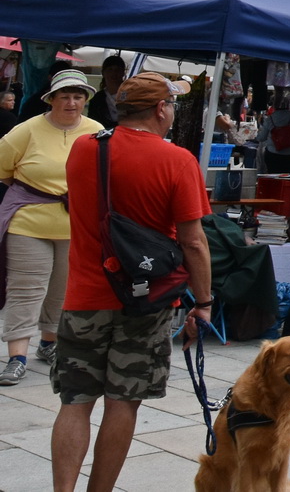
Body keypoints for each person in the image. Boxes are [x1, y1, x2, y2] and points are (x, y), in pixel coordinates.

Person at [51, 71, 211, 492]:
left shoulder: (84, 148)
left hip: (84, 295)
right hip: (147, 299)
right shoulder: (178, 160)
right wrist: (204, 302)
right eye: (172, 105)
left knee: (75, 402)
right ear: (160, 109)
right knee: (122, 403)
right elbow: (194, 242)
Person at [0, 71, 105, 384]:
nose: (71, 102)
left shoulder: (96, 131)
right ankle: (16, 357)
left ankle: (49, 343)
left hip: (76, 225)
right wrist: (35, 192)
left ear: (85, 101)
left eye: (77, 97)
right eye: (64, 96)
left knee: (64, 289)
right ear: (51, 99)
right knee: (26, 290)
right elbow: (3, 168)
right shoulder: (27, 129)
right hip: (28, 223)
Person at [86, 57, 126, 131]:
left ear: (123, 72)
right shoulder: (97, 99)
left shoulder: (131, 95)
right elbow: (92, 120)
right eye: (110, 69)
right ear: (103, 73)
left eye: (117, 70)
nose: (114, 73)